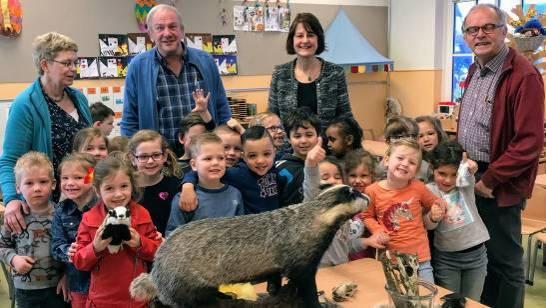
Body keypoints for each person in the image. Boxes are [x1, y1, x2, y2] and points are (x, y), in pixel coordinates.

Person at [457, 4, 544, 307]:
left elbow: (529, 142)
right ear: (466, 36)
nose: (479, 34)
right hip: (471, 174)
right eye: (472, 29)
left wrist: (490, 180)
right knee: (483, 255)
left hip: (498, 181)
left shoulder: (524, 75)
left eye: (488, 27)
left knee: (505, 262)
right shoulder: (474, 69)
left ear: (504, 31)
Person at [1, 32, 92, 233]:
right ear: (45, 65)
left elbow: (90, 152)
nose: (73, 69)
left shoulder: (79, 99)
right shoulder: (26, 104)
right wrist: (12, 199)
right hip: (48, 207)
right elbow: (9, 160)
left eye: (75, 63)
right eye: (67, 63)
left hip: (84, 198)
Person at [121, 4, 232, 148]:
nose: (167, 33)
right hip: (159, 158)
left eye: (173, 26)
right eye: (160, 28)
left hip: (202, 154)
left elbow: (222, 108)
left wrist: (225, 146)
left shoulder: (205, 61)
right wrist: (132, 157)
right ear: (151, 34)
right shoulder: (138, 67)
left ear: (182, 31)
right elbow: (130, 119)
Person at [72, 155, 161, 307]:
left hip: (137, 300)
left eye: (124, 186)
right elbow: (79, 262)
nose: (118, 194)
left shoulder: (142, 214)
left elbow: (158, 254)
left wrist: (141, 243)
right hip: (101, 301)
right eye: (109, 188)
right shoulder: (89, 218)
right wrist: (95, 248)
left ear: (132, 186)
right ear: (98, 190)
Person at [362, 138, 446, 283]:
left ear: (416, 171)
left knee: (426, 300)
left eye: (412, 162)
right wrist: (377, 230)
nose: (405, 164)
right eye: (400, 158)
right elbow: (366, 216)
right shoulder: (372, 191)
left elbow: (436, 201)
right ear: (387, 160)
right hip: (391, 260)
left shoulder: (418, 187)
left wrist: (437, 209)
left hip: (421, 259)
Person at [0, 152, 67, 307]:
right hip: (25, 290)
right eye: (29, 183)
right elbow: (2, 245)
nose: (37, 188)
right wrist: (13, 259)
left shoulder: (62, 215)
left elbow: (72, 249)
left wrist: (68, 276)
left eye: (43, 181)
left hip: (58, 288)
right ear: (18, 187)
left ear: (53, 184)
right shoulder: (14, 217)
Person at [425, 141, 489, 301]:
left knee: (473, 302)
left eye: (453, 174)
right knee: (449, 303)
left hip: (476, 256)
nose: (448, 180)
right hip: (447, 260)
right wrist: (433, 217)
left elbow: (470, 168)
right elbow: (428, 225)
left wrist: (470, 165)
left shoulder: (463, 183)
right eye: (442, 174)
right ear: (432, 168)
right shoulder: (428, 190)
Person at [268, 12, 354, 125]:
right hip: (288, 142)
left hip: (326, 142)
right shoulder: (280, 73)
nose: (305, 40)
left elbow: (345, 117)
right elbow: (273, 118)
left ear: (318, 39)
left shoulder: (335, 73)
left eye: (310, 35)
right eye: (299, 36)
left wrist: (355, 138)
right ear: (292, 40)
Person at [180, 126, 280, 214]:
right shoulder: (236, 173)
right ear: (243, 156)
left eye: (266, 154)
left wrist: (242, 129)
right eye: (252, 155)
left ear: (274, 153)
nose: (261, 161)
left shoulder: (275, 168)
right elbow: (200, 173)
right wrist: (187, 185)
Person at [166, 133, 244, 236]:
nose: (216, 163)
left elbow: (242, 231)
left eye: (221, 158)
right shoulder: (184, 198)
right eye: (208, 158)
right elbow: (172, 236)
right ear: (194, 165)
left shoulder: (235, 194)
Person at [51, 153, 98, 308]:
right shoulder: (61, 211)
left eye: (77, 178)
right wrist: (68, 252)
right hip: (78, 284)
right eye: (65, 178)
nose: (70, 183)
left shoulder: (104, 207)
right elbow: (56, 246)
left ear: (92, 178)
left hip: (104, 283)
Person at [128, 130, 181, 236]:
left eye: (156, 155)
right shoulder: (125, 188)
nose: (150, 161)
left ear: (165, 156)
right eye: (143, 157)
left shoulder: (175, 185)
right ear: (133, 159)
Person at [276, 108, 324, 207]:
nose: (303, 141)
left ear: (318, 136)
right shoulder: (280, 169)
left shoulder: (326, 164)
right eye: (297, 136)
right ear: (288, 139)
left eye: (309, 135)